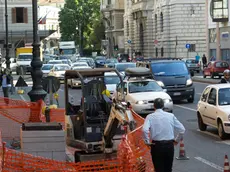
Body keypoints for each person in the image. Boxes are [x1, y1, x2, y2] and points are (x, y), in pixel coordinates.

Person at [142, 98, 185, 172]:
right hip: (169, 145)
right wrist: (176, 140)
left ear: (154, 106)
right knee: (168, 168)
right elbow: (182, 129)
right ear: (163, 106)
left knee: (158, 168)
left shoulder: (150, 117)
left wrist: (147, 142)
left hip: (156, 146)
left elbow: (145, 130)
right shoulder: (171, 116)